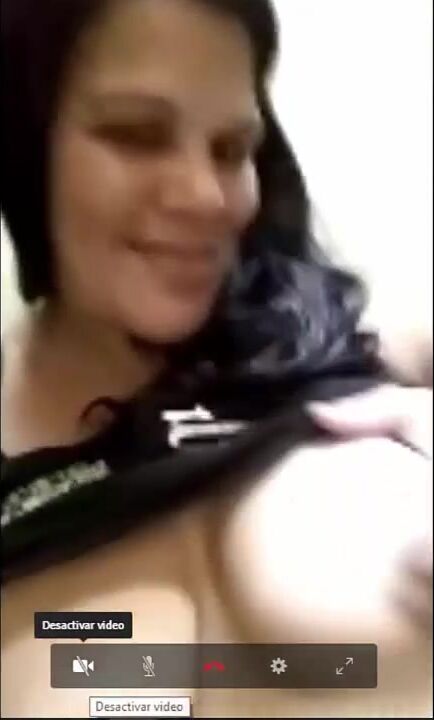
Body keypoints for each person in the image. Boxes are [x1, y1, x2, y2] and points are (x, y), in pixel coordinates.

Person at [1, 0, 431, 717]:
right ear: (23, 139)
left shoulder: (337, 346)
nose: (206, 196)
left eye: (232, 149)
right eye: (137, 135)